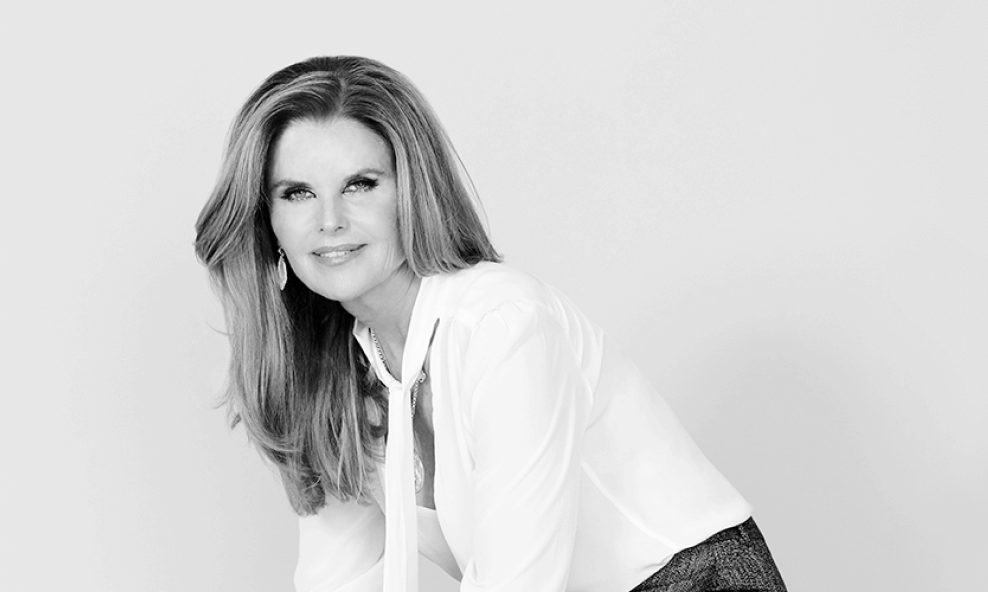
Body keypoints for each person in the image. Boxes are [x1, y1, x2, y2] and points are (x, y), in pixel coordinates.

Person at [191, 56, 786, 592]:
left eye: (360, 184)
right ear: (267, 221)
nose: (330, 221)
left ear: (413, 192)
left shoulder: (503, 326)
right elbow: (337, 575)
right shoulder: (331, 374)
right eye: (297, 193)